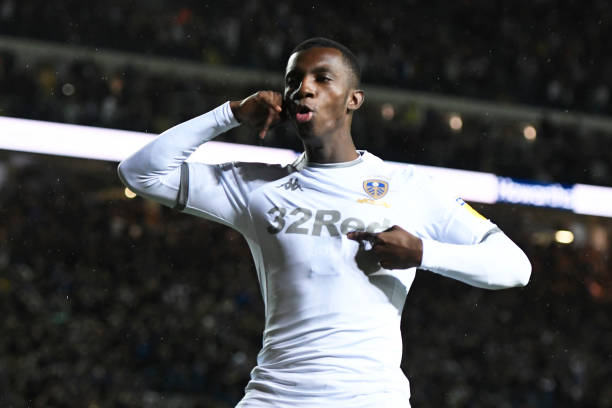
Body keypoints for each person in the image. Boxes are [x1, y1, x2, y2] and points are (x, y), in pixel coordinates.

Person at [118, 37, 531, 407]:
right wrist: (230, 114)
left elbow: (515, 267)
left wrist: (423, 253)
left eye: (322, 78)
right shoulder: (257, 186)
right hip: (274, 398)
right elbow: (140, 174)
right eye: (293, 80)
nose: (304, 89)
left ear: (353, 99)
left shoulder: (408, 187)